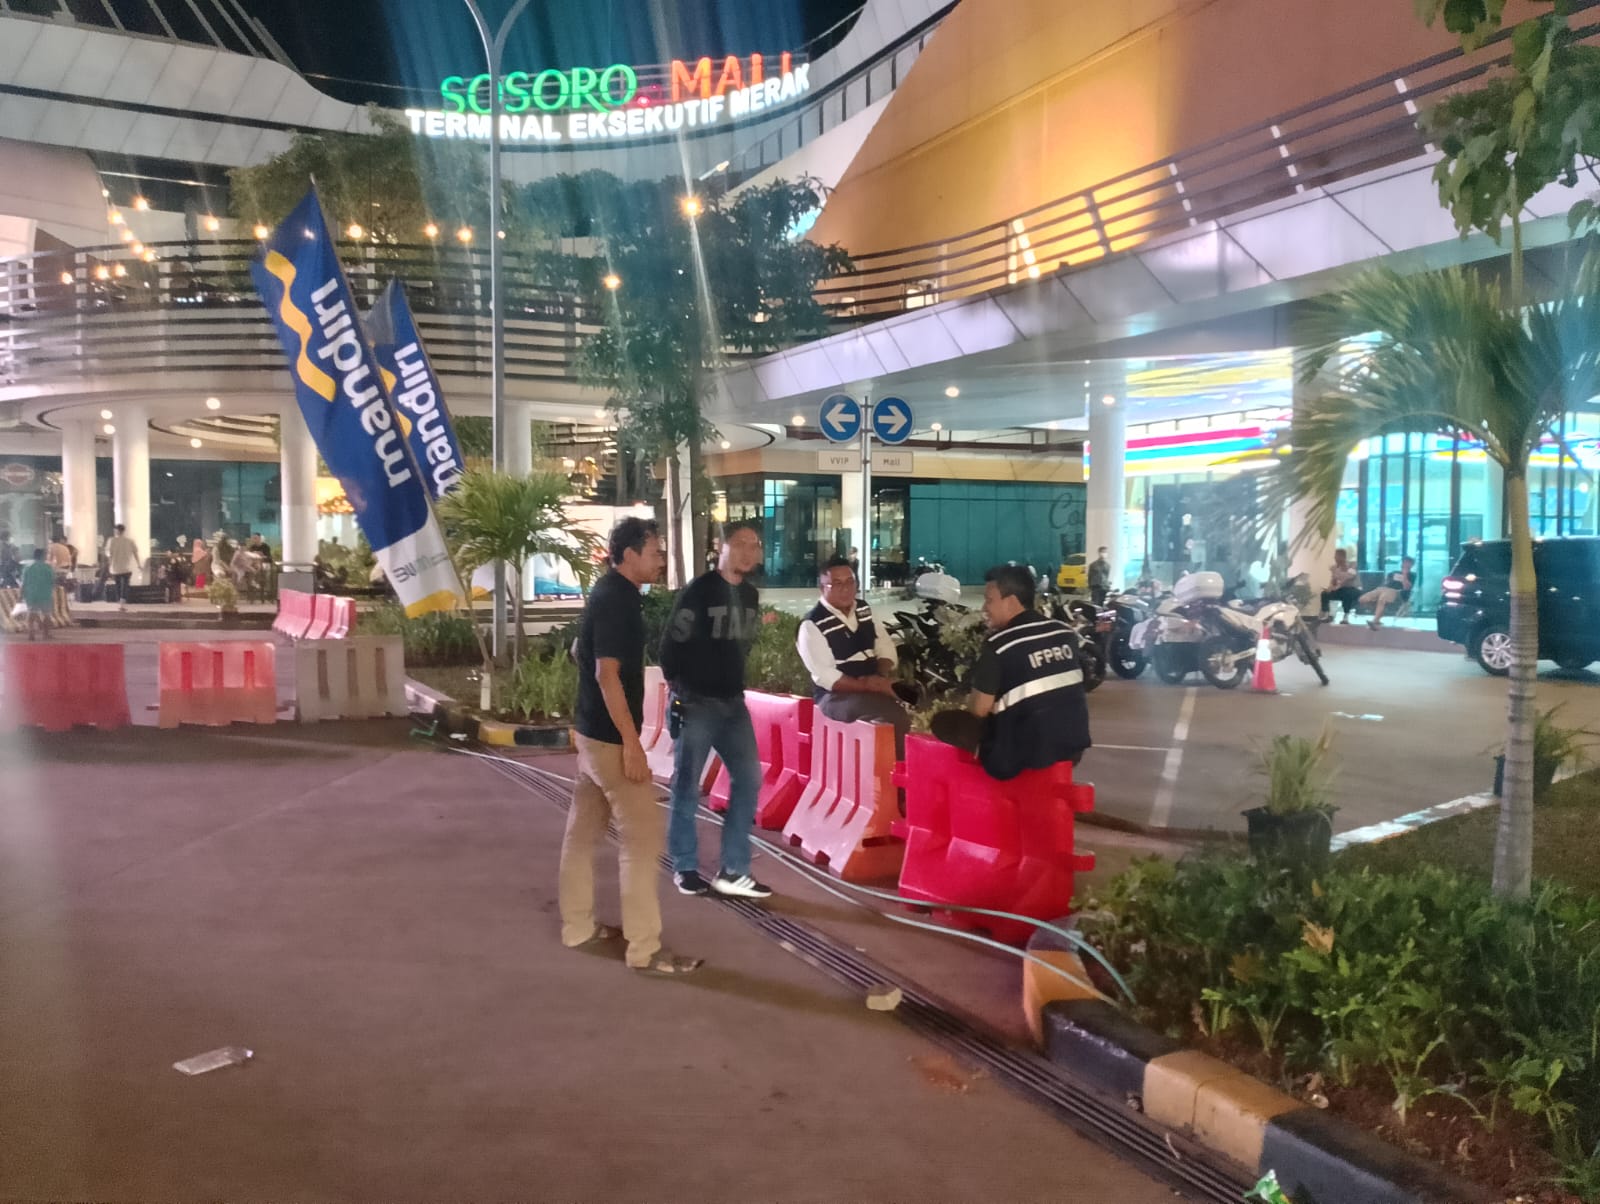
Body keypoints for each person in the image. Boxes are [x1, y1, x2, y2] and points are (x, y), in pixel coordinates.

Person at [559, 516, 702, 978]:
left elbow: (580, 651)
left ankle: (577, 927)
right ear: (630, 554)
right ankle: (644, 949)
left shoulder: (606, 592)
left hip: (591, 734)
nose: (661, 559)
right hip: (609, 741)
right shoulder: (618, 599)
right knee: (642, 843)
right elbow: (606, 674)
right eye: (656, 552)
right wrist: (631, 744)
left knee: (582, 836)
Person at [659, 522, 772, 900]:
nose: (748, 552)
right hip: (697, 702)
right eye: (739, 544)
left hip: (733, 703)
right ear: (720, 547)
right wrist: (680, 690)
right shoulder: (699, 591)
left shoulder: (750, 596)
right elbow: (670, 646)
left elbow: (742, 649)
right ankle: (685, 866)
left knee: (749, 779)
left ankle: (734, 870)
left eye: (754, 545)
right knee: (687, 784)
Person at [931, 564, 1092, 779]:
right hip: (1073, 747)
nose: (984, 608)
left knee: (945, 723)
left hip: (1026, 757)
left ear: (1012, 601)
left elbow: (978, 711)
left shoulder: (999, 645)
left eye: (989, 600)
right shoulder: (1065, 633)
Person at [797, 555, 910, 755]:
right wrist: (869, 685)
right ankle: (881, 771)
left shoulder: (864, 610)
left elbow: (884, 646)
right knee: (886, 716)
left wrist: (881, 676)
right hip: (835, 696)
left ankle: (900, 768)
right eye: (837, 584)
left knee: (914, 701)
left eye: (850, 582)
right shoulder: (812, 624)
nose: (846, 589)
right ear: (822, 588)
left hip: (871, 685)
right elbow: (827, 677)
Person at [1364, 556, 1415, 629]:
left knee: (1383, 598)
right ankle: (1378, 615)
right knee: (1365, 598)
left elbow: (1406, 587)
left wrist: (1405, 574)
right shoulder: (1393, 573)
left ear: (1411, 565)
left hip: (1398, 593)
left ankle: (1375, 620)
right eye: (1404, 562)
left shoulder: (1412, 575)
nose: (1405, 564)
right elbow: (1386, 583)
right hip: (1385, 590)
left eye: (1408, 563)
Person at [20, 547, 56, 640]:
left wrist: (21, 595)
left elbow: (23, 583)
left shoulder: (27, 568)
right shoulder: (48, 568)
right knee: (46, 614)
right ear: (43, 556)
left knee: (31, 613)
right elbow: (52, 581)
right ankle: (45, 634)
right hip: (45, 594)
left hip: (31, 594)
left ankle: (31, 633)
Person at [1318, 548, 1360, 624]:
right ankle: (1326, 615)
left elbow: (1347, 578)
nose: (1335, 558)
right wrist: (1330, 588)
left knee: (1347, 594)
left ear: (1343, 557)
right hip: (1340, 589)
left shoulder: (1352, 566)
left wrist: (1337, 587)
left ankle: (1346, 616)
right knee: (1324, 594)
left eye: (1336, 556)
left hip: (1353, 589)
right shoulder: (1335, 567)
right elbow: (1333, 580)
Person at [105, 523, 141, 610]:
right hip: (127, 567)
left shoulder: (111, 540)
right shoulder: (130, 541)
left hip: (115, 567)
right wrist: (138, 564)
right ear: (124, 531)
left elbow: (108, 554)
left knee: (117, 585)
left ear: (116, 531)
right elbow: (135, 553)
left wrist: (109, 564)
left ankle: (119, 603)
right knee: (125, 586)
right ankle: (122, 603)